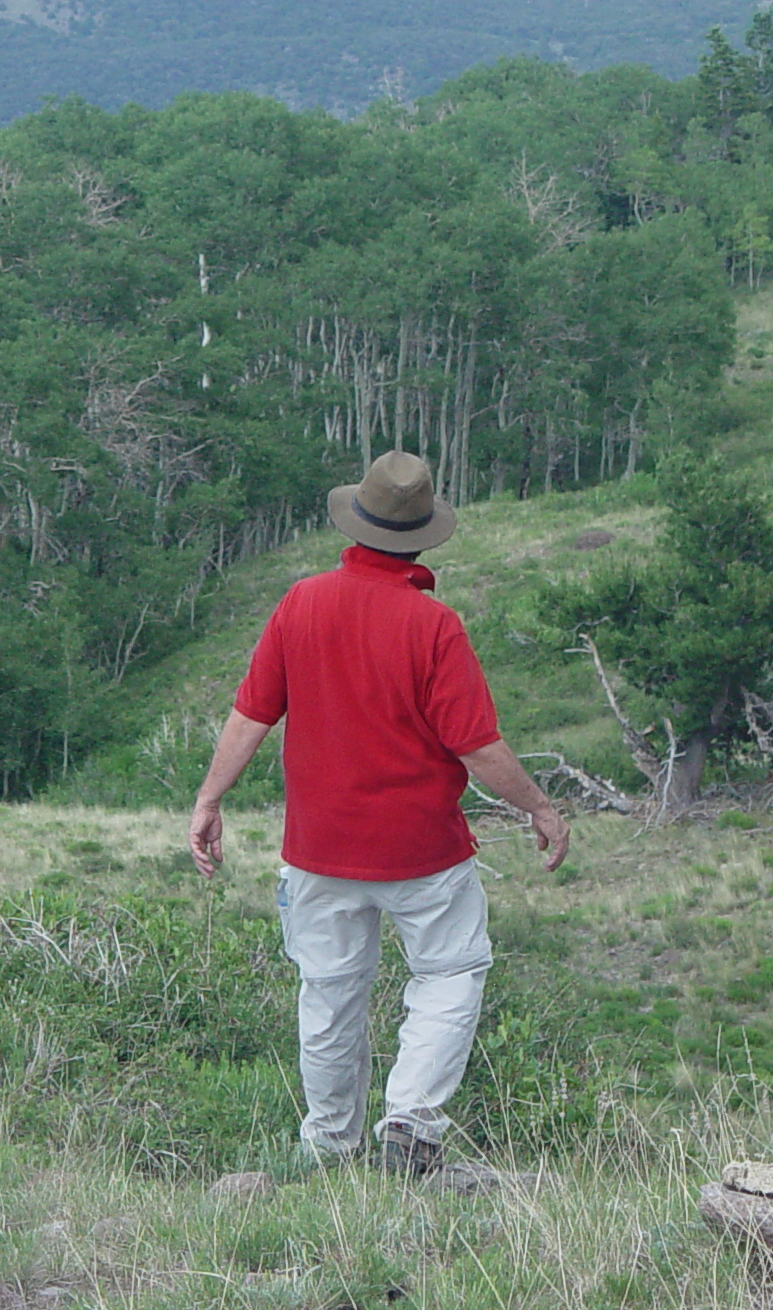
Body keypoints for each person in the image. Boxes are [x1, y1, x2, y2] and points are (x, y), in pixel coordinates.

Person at [188, 449, 571, 1176]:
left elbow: (250, 715)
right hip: (422, 850)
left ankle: (330, 1145)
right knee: (451, 971)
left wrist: (210, 800)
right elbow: (478, 747)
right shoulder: (434, 626)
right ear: (423, 537)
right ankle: (411, 1122)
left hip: (317, 849)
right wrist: (541, 808)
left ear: (357, 522)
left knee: (329, 996)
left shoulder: (301, 603)